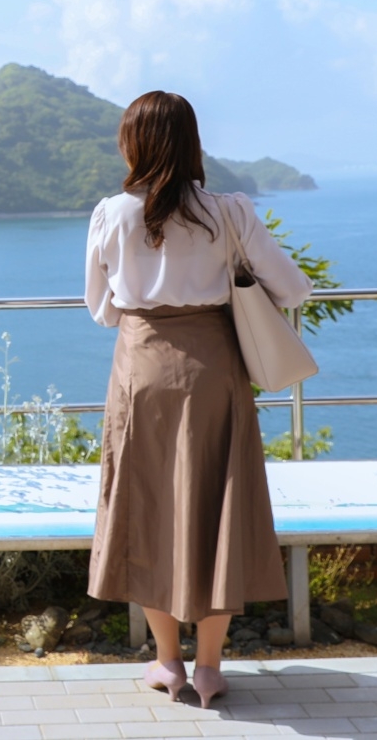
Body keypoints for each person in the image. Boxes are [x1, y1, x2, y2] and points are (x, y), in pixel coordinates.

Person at [84, 91, 312, 709]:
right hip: (215, 374)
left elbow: (102, 310)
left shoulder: (111, 213)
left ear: (131, 144)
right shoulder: (230, 212)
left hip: (141, 375)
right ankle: (209, 670)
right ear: (192, 143)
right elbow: (293, 290)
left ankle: (167, 664)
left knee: (147, 510)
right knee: (220, 512)